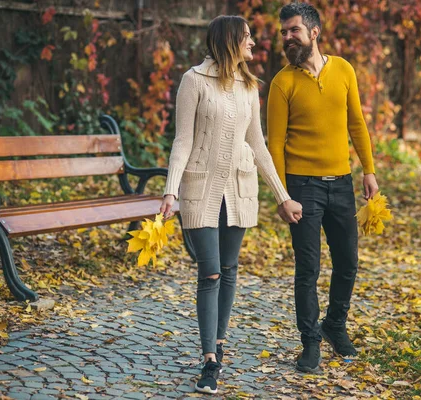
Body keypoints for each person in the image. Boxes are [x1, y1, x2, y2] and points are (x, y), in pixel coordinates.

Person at [160, 15, 303, 394]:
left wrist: (283, 196)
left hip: (239, 190)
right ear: (229, 42)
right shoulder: (194, 80)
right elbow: (182, 141)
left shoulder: (249, 87)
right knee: (209, 273)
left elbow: (258, 144)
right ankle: (208, 360)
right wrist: (170, 191)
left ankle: (219, 345)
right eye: (247, 38)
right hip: (200, 189)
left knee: (228, 269)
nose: (254, 44)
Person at [267, 2, 380, 373]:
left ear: (314, 32)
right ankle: (310, 341)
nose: (286, 38)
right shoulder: (282, 83)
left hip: (341, 184)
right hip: (303, 187)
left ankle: (334, 325)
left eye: (293, 30)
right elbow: (275, 146)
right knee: (308, 269)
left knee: (348, 261)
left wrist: (369, 170)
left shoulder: (344, 70)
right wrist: (283, 196)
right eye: (283, 32)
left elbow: (357, 124)